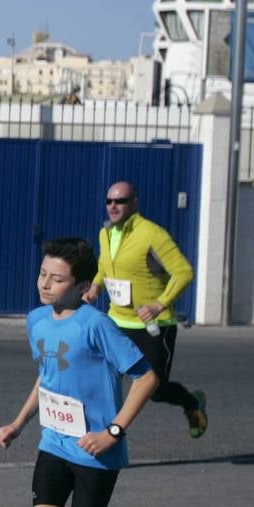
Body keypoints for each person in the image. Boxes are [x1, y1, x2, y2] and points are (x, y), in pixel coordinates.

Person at [0, 237, 180, 507]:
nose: (45, 284)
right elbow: (48, 375)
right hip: (54, 442)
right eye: (43, 274)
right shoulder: (36, 319)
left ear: (81, 286)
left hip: (95, 451)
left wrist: (113, 431)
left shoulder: (96, 325)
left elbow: (147, 378)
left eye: (57, 279)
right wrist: (20, 423)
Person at [82, 180, 208, 438]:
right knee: (103, 381)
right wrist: (95, 287)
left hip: (152, 327)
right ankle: (103, 437)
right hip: (116, 321)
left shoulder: (152, 234)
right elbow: (105, 267)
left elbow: (184, 272)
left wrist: (159, 304)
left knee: (155, 390)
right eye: (109, 201)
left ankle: (192, 403)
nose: (113, 206)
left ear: (134, 203)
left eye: (121, 201)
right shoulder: (105, 233)